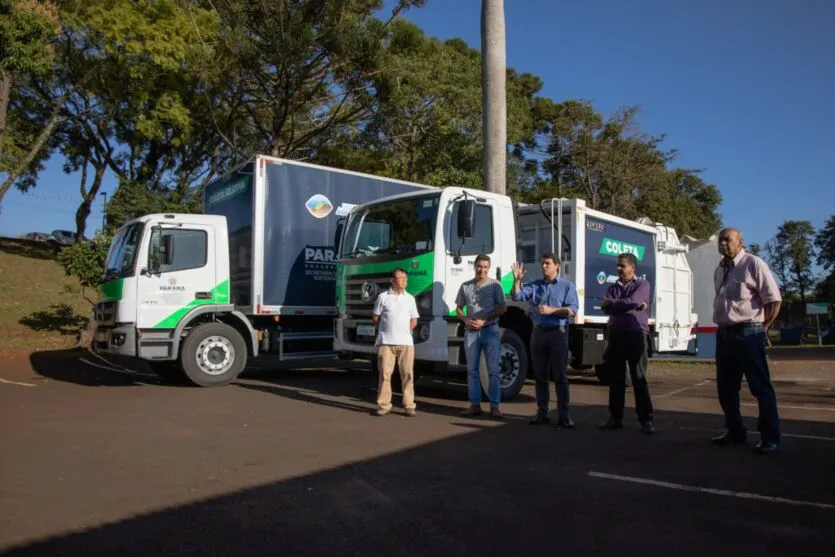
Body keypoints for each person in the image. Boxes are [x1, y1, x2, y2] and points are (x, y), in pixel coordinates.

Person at [712, 228, 782, 454]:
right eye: (720, 240)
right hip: (724, 334)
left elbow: (773, 299)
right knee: (726, 388)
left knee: (760, 387)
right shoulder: (719, 269)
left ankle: (770, 437)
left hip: (749, 333)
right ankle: (735, 431)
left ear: (740, 242)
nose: (723, 244)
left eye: (728, 240)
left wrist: (763, 328)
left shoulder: (754, 264)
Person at [512, 253, 579, 427]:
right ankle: (542, 413)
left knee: (560, 376)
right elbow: (517, 296)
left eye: (547, 263)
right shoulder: (536, 285)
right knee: (540, 377)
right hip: (539, 334)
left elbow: (572, 310)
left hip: (558, 333)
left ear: (557, 266)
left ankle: (564, 415)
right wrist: (517, 280)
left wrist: (551, 311)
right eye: (542, 263)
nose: (544, 266)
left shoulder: (567, 286)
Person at [597, 253, 656, 434]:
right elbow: (605, 307)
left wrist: (619, 304)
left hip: (636, 334)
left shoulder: (642, 284)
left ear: (632, 268)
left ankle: (646, 420)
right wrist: (627, 305)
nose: (618, 269)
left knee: (638, 378)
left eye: (622, 266)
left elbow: (634, 300)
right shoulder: (613, 287)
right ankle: (615, 418)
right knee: (616, 379)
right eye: (617, 266)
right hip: (616, 335)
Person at [455, 254, 508, 419]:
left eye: (485, 267)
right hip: (471, 332)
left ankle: (495, 406)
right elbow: (458, 308)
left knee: (493, 370)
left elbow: (503, 307)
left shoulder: (495, 285)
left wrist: (485, 319)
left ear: (489, 268)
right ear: (475, 266)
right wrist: (465, 319)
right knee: (472, 370)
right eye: (479, 266)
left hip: (490, 330)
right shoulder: (465, 286)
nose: (482, 270)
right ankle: (474, 405)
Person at [372, 268, 419, 417]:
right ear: (392, 280)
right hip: (386, 342)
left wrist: (404, 331)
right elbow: (376, 318)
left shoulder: (410, 298)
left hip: (406, 343)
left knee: (408, 374)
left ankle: (409, 405)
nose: (405, 280)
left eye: (406, 278)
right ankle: (384, 405)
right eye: (401, 278)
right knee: (385, 374)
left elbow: (414, 320)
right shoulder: (382, 297)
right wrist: (387, 330)